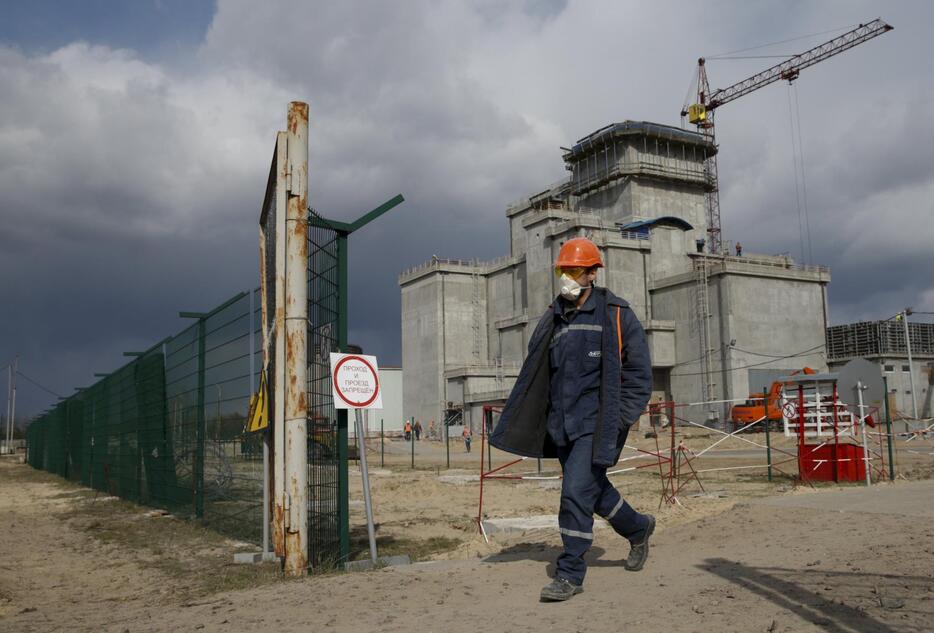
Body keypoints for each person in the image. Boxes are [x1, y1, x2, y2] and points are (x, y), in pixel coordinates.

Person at [489, 237, 654, 602]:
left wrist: (622, 418)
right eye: (564, 270)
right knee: (593, 490)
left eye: (575, 270)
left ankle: (570, 574)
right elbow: (539, 371)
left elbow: (639, 374)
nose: (568, 277)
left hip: (597, 425)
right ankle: (639, 528)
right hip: (562, 425)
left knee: (575, 492)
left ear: (593, 273)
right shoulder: (555, 317)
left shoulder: (616, 313)